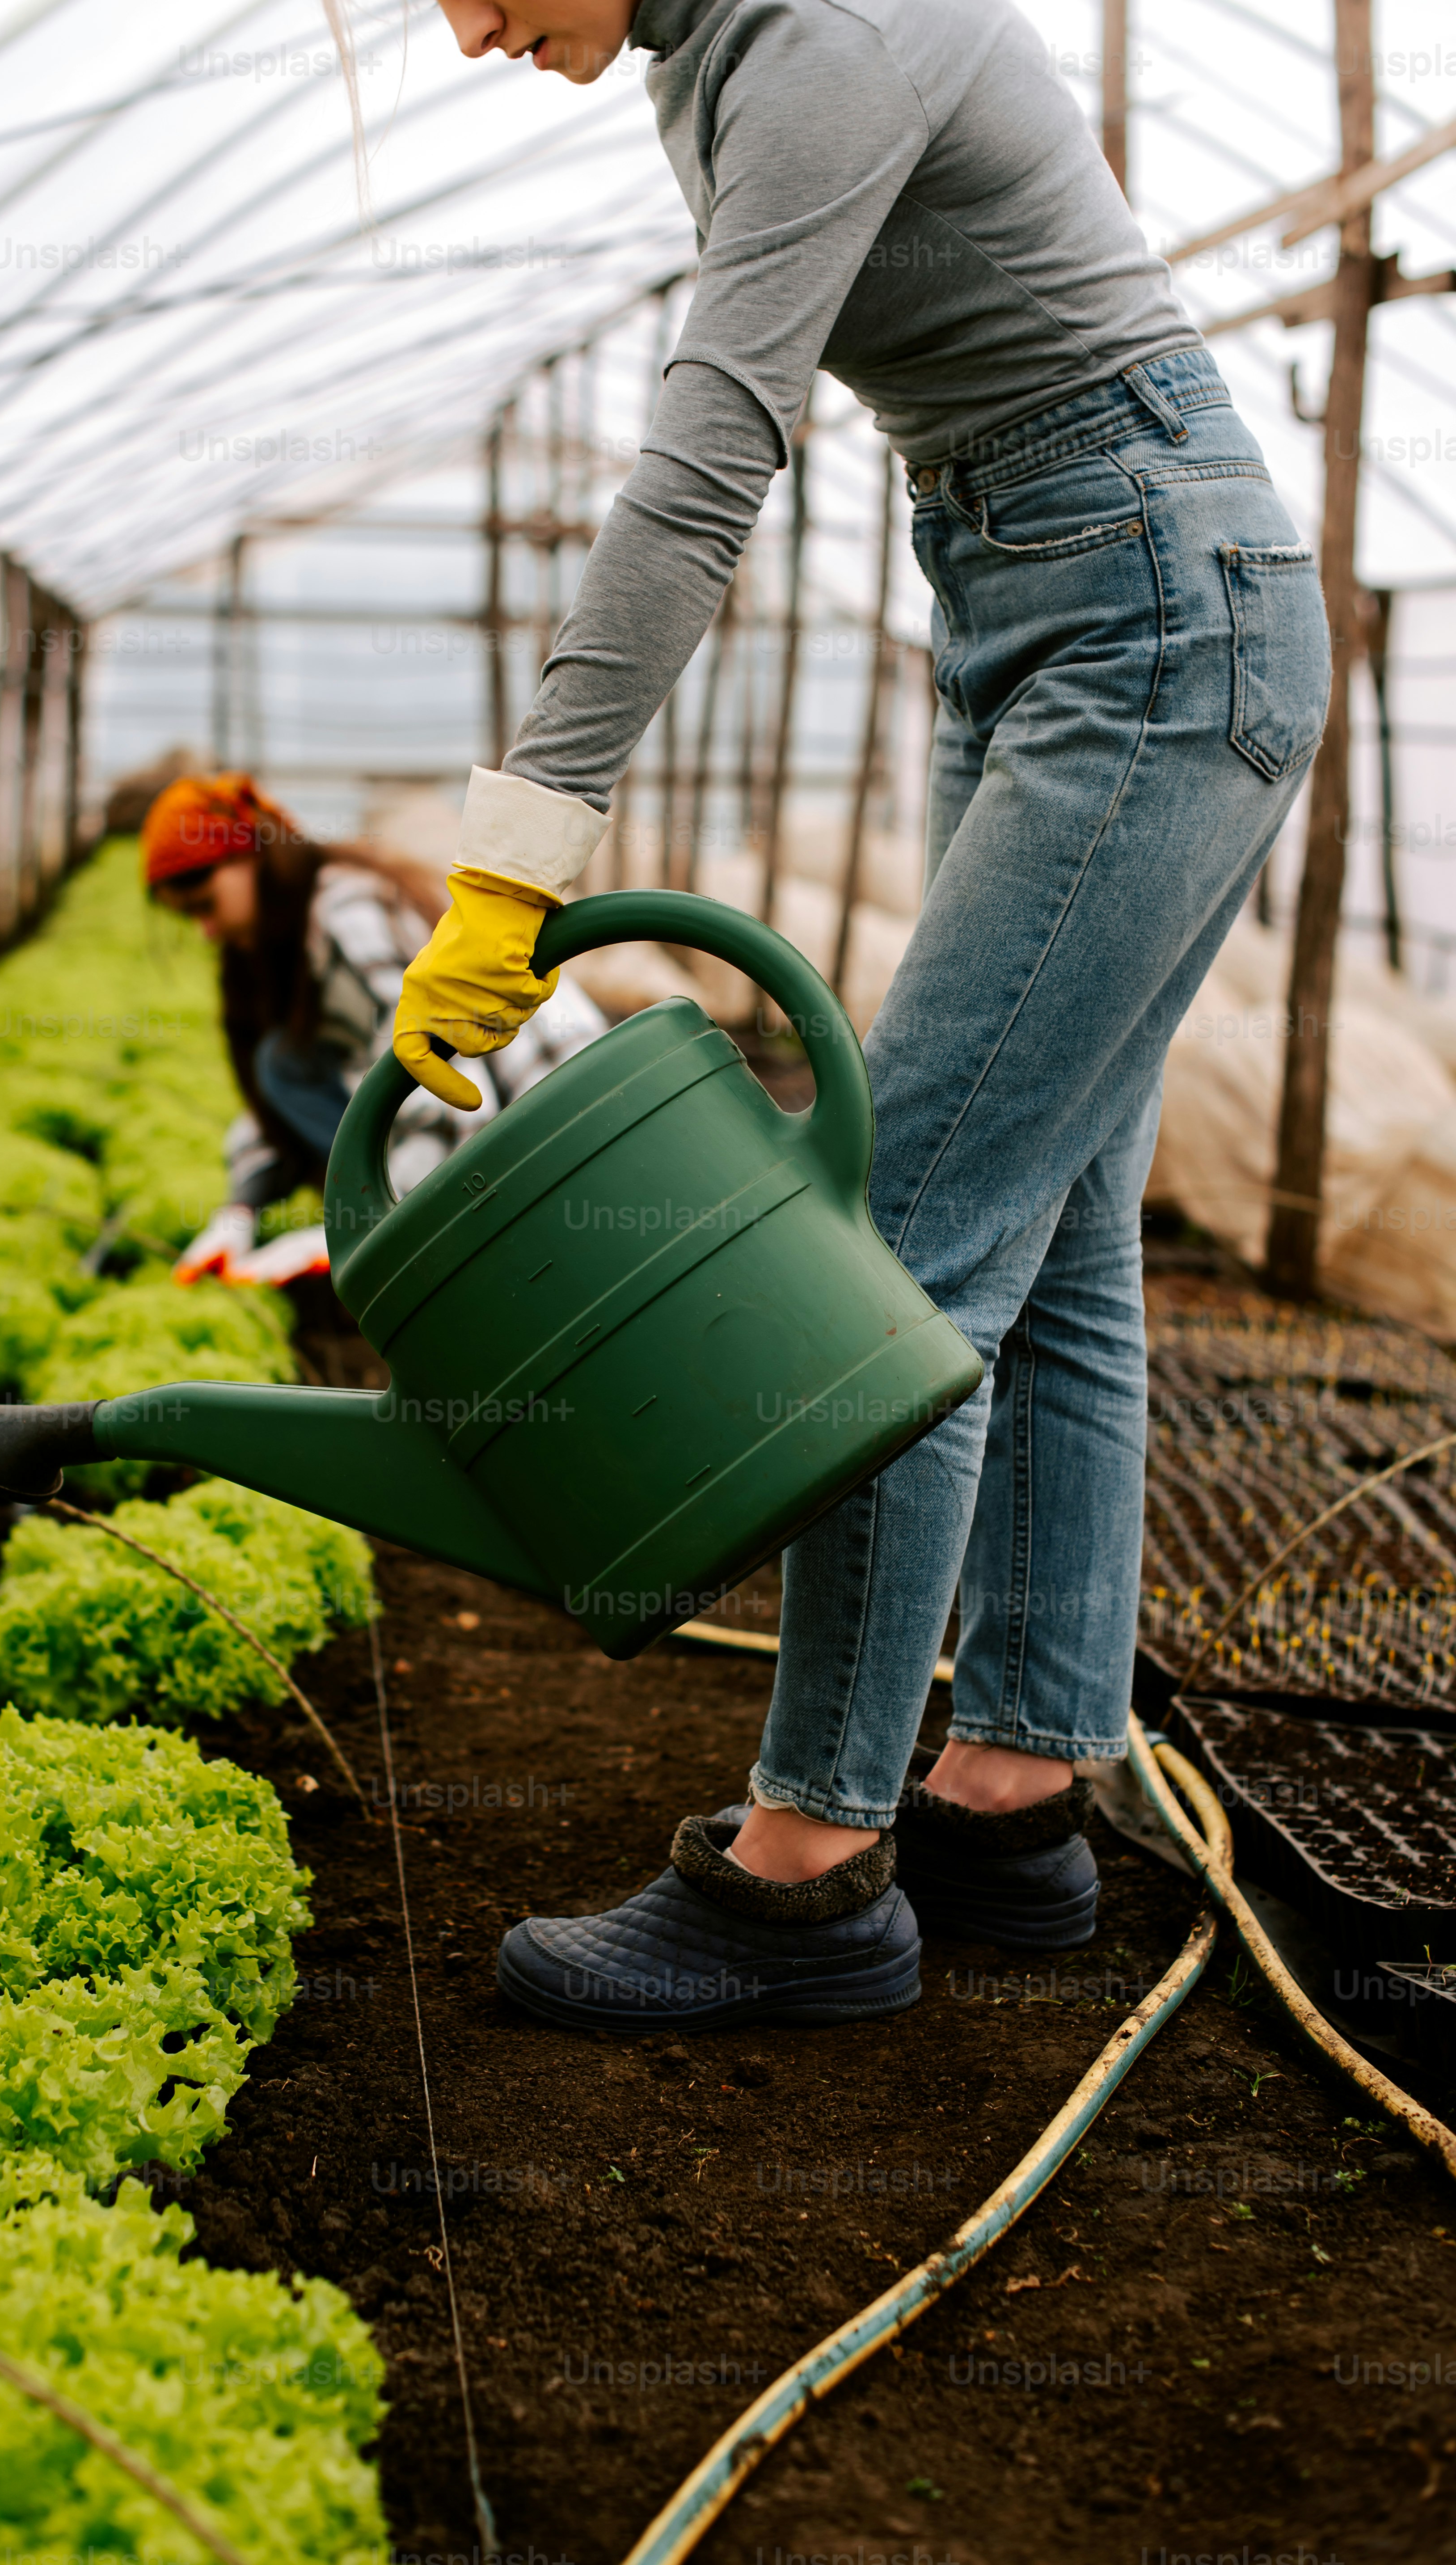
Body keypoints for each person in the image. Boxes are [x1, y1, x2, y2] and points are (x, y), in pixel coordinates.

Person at [382, 0, 1332, 2029]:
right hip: (1047, 601)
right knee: (1054, 1237)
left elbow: (706, 459)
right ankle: (1013, 1785)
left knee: (893, 1244)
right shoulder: (688, 63)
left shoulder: (826, 34)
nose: (463, 34)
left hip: (1147, 616)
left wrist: (524, 843)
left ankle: (803, 1870)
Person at [140, 773, 608, 1283]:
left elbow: (439, 1082)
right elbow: (284, 1092)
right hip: (489, 1100)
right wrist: (239, 1212)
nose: (206, 931)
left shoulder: (347, 913)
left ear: (249, 857)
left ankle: (456, 1240)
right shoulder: (285, 943)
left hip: (563, 1110)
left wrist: (371, 1231)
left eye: (205, 906)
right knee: (280, 1060)